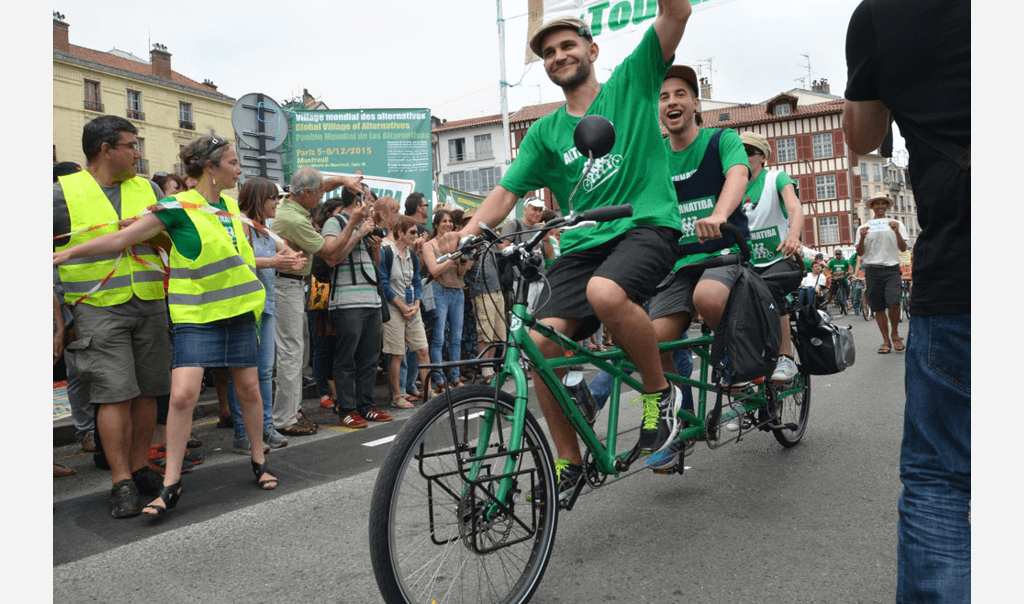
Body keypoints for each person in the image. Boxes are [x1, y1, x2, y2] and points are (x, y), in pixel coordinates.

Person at [439, 2, 694, 500]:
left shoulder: (632, 82)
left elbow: (677, 13)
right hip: (582, 244)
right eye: (549, 52)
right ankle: (568, 461)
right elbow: (505, 192)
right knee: (539, 345)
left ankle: (659, 392)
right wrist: (464, 236)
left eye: (568, 45)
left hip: (642, 226)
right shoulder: (545, 132)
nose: (558, 55)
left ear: (592, 50)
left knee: (605, 292)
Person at [54, 133, 279, 515]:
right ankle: (171, 481)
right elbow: (122, 239)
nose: (239, 169)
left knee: (250, 392)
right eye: (233, 162)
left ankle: (259, 460)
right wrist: (68, 252)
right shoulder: (175, 206)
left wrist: (280, 257)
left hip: (239, 313)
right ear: (210, 167)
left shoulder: (228, 207)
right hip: (196, 318)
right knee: (181, 397)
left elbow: (239, 259)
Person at [843, 2, 970, 602]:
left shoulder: (880, 15)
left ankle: (891, 341)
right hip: (913, 273)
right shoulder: (871, 230)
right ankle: (889, 339)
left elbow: (864, 137)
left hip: (959, 267)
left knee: (940, 479)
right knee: (883, 309)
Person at [52, 115, 170, 517]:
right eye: (131, 145)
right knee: (114, 392)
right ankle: (120, 480)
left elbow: (170, 239)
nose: (138, 153)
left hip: (150, 301)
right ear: (105, 149)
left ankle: (139, 467)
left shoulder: (148, 188)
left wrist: (148, 232)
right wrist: (56, 308)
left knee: (147, 389)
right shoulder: (61, 194)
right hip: (97, 308)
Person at [269, 166, 363, 437]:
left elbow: (324, 185)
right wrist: (354, 223)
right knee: (290, 353)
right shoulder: (295, 220)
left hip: (292, 284)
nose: (324, 196)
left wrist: (344, 179)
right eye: (320, 192)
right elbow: (330, 251)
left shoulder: (294, 205)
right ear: (307, 193)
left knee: (297, 351)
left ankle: (292, 411)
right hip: (286, 284)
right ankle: (284, 418)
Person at [225, 177, 305, 453]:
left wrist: (294, 258)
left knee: (264, 372)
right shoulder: (239, 224)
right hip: (245, 307)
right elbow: (238, 259)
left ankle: (265, 427)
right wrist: (275, 261)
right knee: (244, 374)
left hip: (267, 305)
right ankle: (242, 433)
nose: (278, 203)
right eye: (273, 198)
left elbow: (285, 249)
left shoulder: (267, 227)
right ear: (260, 199)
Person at [323, 187, 394, 429]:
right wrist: (356, 234)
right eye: (369, 199)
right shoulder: (335, 223)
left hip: (371, 300)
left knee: (370, 358)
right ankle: (347, 409)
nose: (372, 205)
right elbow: (331, 258)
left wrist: (374, 246)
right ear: (358, 200)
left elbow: (374, 265)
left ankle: (366, 406)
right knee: (346, 359)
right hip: (346, 302)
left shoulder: (367, 223)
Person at [738, 131, 804, 382]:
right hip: (747, 263)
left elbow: (794, 207)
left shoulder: (776, 178)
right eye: (738, 151)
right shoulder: (731, 183)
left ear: (762, 157)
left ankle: (786, 357)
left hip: (780, 260)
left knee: (769, 288)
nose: (743, 157)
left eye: (749, 152)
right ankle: (742, 381)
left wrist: (794, 236)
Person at [379, 216, 431, 408]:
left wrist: (416, 303)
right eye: (412, 232)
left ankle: (428, 390)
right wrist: (402, 306)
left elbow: (417, 280)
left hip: (411, 308)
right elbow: (384, 284)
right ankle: (397, 395)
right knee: (397, 354)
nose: (416, 236)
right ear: (399, 232)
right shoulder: (387, 253)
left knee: (423, 350)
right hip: (394, 309)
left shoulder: (412, 255)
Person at [423, 209, 470, 393]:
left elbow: (461, 273)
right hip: (438, 291)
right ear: (436, 224)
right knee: (439, 338)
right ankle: (440, 379)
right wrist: (453, 257)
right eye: (444, 221)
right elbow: (434, 271)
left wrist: (464, 260)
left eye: (450, 221)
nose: (448, 224)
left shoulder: (457, 244)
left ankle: (456, 378)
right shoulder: (429, 245)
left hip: (457, 292)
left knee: (457, 338)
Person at [855, 195, 908, 354]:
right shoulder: (863, 228)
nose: (880, 206)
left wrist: (897, 232)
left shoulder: (897, 224)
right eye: (876, 204)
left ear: (887, 206)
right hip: (872, 269)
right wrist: (863, 237)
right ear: (872, 207)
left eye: (882, 204)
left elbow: (904, 248)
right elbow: (860, 252)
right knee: (878, 307)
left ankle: (895, 334)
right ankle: (885, 340)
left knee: (894, 302)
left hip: (891, 268)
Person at [501, 196, 555, 314]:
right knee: (523, 317)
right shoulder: (514, 224)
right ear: (525, 209)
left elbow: (550, 256)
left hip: (540, 280)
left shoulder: (538, 228)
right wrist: (522, 251)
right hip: (522, 281)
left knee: (539, 318)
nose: (537, 213)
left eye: (540, 210)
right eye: (534, 209)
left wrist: (546, 237)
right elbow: (502, 249)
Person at [827, 248, 853, 313]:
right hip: (835, 280)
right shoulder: (832, 261)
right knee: (831, 293)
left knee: (847, 290)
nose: (838, 255)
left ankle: (846, 300)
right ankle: (829, 302)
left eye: (839, 254)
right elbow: (828, 268)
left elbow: (849, 265)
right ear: (835, 255)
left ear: (841, 255)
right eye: (837, 254)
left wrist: (849, 271)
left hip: (843, 279)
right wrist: (830, 274)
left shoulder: (845, 261)